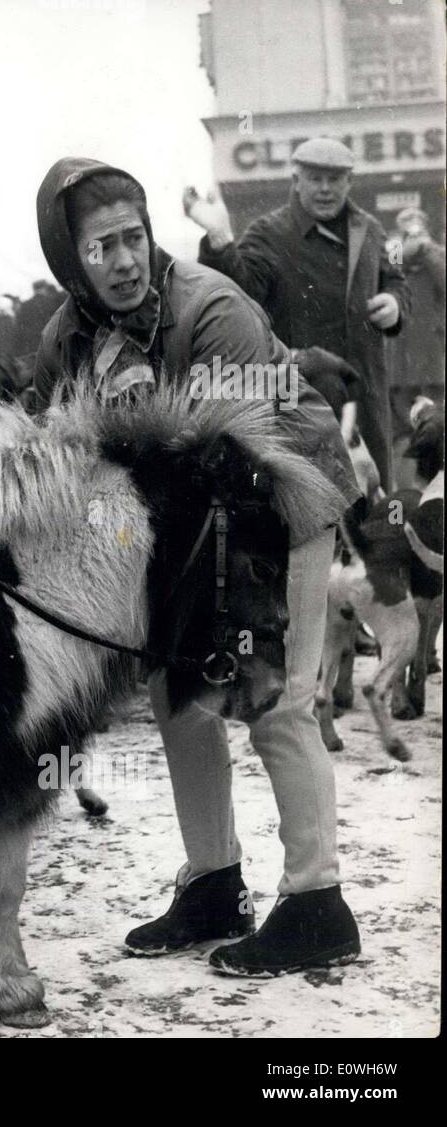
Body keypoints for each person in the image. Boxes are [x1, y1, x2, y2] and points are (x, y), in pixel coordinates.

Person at [31, 158, 363, 977]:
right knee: (181, 697)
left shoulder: (213, 308)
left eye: (133, 238)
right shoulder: (65, 338)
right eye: (101, 246)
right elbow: (64, 457)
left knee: (273, 694)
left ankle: (318, 902)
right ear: (71, 260)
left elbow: (234, 465)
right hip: (186, 519)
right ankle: (213, 883)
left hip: (281, 494)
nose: (123, 260)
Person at [183, 137, 408, 490]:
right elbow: (238, 293)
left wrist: (395, 303)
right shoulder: (268, 233)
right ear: (296, 180)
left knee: (373, 510)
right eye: (315, 178)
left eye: (334, 179)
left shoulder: (371, 229)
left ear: (349, 182)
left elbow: (395, 278)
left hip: (364, 396)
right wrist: (220, 240)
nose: (325, 189)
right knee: (310, 509)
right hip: (305, 396)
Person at [387, 207, 445, 485]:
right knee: (401, 435)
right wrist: (407, 245)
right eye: (406, 224)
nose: (412, 228)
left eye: (417, 223)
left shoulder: (436, 254)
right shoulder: (394, 252)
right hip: (400, 362)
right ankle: (406, 497)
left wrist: (427, 247)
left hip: (431, 361)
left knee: (435, 427)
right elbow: (391, 265)